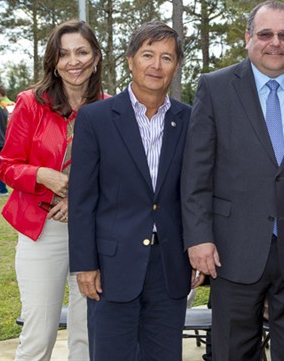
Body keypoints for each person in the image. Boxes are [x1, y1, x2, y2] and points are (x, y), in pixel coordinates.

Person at [182, 0, 284, 361]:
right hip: (232, 249)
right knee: (234, 351)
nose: (275, 43)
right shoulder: (215, 87)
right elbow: (196, 173)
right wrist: (199, 238)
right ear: (248, 38)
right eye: (265, 34)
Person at [68, 21, 201, 361]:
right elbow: (82, 200)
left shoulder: (190, 120)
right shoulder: (95, 119)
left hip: (169, 266)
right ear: (130, 60)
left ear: (176, 65)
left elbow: (197, 191)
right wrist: (84, 264)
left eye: (167, 57)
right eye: (147, 55)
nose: (156, 66)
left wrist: (199, 245)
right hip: (112, 268)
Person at [0, 19, 102, 360]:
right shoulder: (30, 104)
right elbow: (8, 166)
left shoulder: (110, 107)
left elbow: (118, 176)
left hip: (92, 231)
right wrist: (43, 175)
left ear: (96, 58)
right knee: (39, 334)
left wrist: (76, 199)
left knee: (87, 334)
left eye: (82, 52)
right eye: (64, 54)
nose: (74, 61)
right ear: (54, 63)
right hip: (41, 231)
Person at [0, 84, 14, 196]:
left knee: (0, 164)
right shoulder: (14, 104)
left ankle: (2, 189)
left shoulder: (0, 106)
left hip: (4, 138)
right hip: (17, 139)